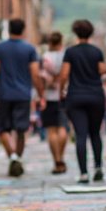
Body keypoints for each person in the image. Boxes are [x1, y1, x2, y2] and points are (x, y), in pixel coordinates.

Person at [0, 18, 46, 177]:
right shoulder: (30, 49)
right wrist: (41, 95)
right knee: (21, 129)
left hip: (3, 94)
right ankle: (17, 157)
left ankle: (12, 156)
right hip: (23, 95)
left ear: (9, 29)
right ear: (23, 30)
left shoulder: (0, 48)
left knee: (3, 128)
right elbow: (35, 74)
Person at [59, 19, 106, 183]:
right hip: (95, 95)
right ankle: (98, 167)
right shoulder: (96, 51)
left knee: (80, 134)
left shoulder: (70, 52)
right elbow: (103, 70)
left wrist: (61, 90)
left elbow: (65, 74)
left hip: (76, 96)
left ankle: (83, 173)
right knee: (95, 133)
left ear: (75, 32)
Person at [41, 32, 70, 174]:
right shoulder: (66, 55)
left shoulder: (45, 57)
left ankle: (57, 159)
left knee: (51, 130)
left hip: (48, 96)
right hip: (64, 95)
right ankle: (62, 157)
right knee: (63, 128)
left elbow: (41, 77)